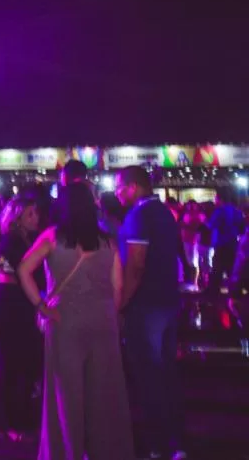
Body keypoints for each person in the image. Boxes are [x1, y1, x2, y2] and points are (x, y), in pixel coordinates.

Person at [17, 183, 133, 460]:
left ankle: (66, 453)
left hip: (65, 322)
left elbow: (23, 269)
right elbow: (118, 287)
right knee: (105, 395)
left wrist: (41, 306)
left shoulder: (52, 237)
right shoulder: (109, 242)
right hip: (103, 322)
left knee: (65, 397)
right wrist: (107, 311)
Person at [116, 166, 185, 460]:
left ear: (133, 187)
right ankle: (176, 443)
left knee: (148, 376)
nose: (117, 193)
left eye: (120, 187)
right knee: (167, 374)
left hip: (145, 307)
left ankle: (157, 446)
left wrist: (119, 304)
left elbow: (136, 265)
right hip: (168, 303)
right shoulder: (165, 213)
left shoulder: (138, 215)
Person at [0, 193, 43, 440]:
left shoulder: (25, 239)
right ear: (18, 218)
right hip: (12, 310)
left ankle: (18, 417)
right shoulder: (12, 241)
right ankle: (10, 421)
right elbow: (25, 275)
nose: (36, 218)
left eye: (36, 212)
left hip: (19, 308)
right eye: (30, 213)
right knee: (12, 367)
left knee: (22, 366)